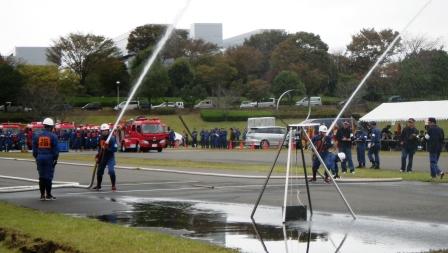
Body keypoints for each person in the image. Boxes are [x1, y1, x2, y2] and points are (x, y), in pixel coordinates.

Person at [32, 118, 59, 200]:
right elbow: (56, 151)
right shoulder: (53, 136)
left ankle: (42, 195)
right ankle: (49, 194)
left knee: (41, 176)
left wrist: (37, 157)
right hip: (49, 158)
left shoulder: (37, 135)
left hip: (39, 157)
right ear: (51, 127)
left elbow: (34, 150)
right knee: (48, 177)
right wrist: (55, 159)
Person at [93, 123, 118, 191]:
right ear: (101, 131)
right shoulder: (100, 138)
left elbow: (115, 149)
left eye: (106, 130)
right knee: (99, 171)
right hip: (102, 157)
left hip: (110, 157)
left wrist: (107, 148)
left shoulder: (112, 139)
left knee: (111, 171)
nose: (105, 132)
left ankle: (113, 185)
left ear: (108, 130)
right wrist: (98, 155)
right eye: (103, 130)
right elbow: (99, 147)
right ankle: (98, 185)